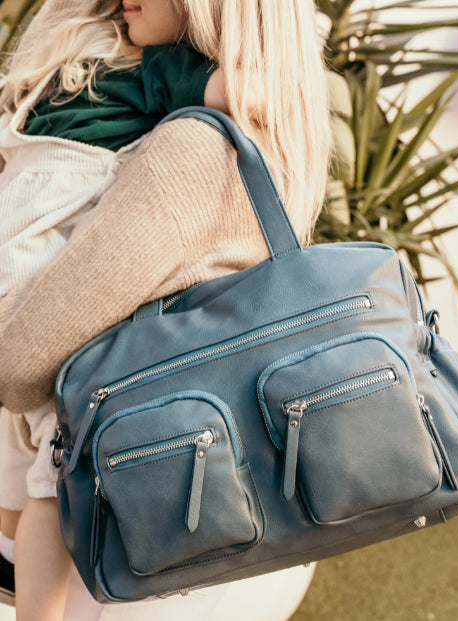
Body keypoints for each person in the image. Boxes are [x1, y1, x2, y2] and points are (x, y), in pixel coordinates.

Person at [0, 1, 332, 620]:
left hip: (136, 529)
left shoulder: (190, 143)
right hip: (192, 497)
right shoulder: (230, 138)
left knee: (42, 471)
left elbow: (17, 367)